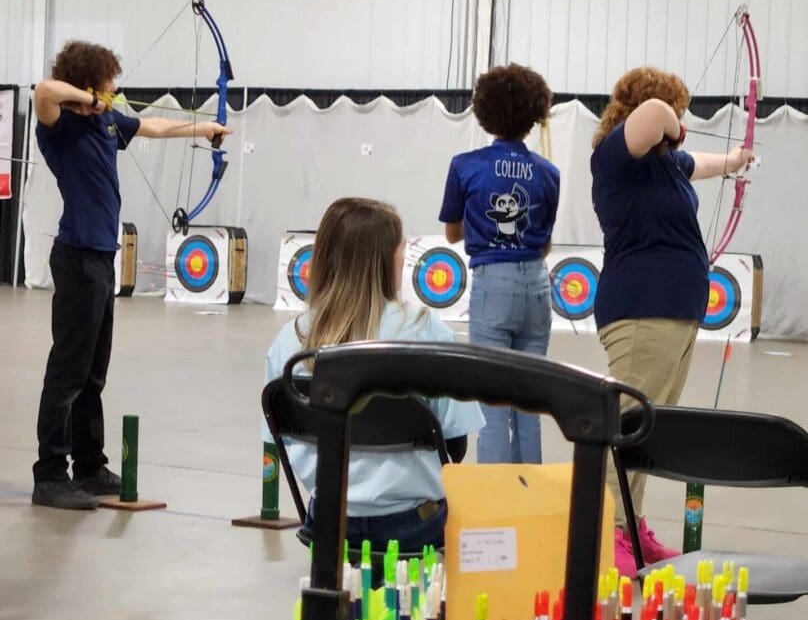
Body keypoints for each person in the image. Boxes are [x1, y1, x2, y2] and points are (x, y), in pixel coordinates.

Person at [32, 40, 231, 509]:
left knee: (93, 374)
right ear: (90, 82)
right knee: (69, 371)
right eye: (109, 80)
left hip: (101, 259)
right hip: (77, 257)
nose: (116, 87)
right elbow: (42, 89)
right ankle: (50, 475)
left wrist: (204, 128)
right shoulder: (61, 128)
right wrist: (83, 99)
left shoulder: (105, 123)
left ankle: (89, 465)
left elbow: (155, 126)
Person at [591, 66, 752, 575]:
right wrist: (672, 118)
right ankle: (606, 531)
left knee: (646, 429)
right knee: (624, 423)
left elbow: (697, 162)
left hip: (674, 311)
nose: (680, 118)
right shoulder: (617, 157)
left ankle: (631, 526)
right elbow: (657, 115)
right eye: (678, 109)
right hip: (642, 308)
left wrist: (733, 161)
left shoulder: (663, 166)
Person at [264, 197, 483, 552]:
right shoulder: (430, 334)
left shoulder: (289, 342)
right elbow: (455, 446)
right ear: (388, 260)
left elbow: (281, 441)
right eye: (401, 249)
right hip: (413, 528)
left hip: (327, 525)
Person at [439, 63, 559, 463]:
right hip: (538, 286)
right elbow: (544, 243)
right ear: (534, 115)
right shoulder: (549, 172)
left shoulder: (464, 165)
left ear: (484, 110)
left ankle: (496, 504)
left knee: (492, 403)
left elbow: (452, 235)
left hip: (493, 283)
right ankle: (531, 496)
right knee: (529, 402)